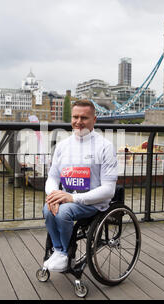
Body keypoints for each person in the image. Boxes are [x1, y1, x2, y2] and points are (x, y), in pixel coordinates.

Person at [42, 100, 118, 272]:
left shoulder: (105, 147)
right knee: (47, 209)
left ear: (94, 119)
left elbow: (109, 190)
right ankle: (59, 250)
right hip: (66, 199)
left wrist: (72, 197)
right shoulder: (62, 146)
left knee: (63, 212)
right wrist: (53, 195)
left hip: (93, 203)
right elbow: (52, 177)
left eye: (84, 117)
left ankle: (64, 252)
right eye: (75, 117)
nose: (78, 121)